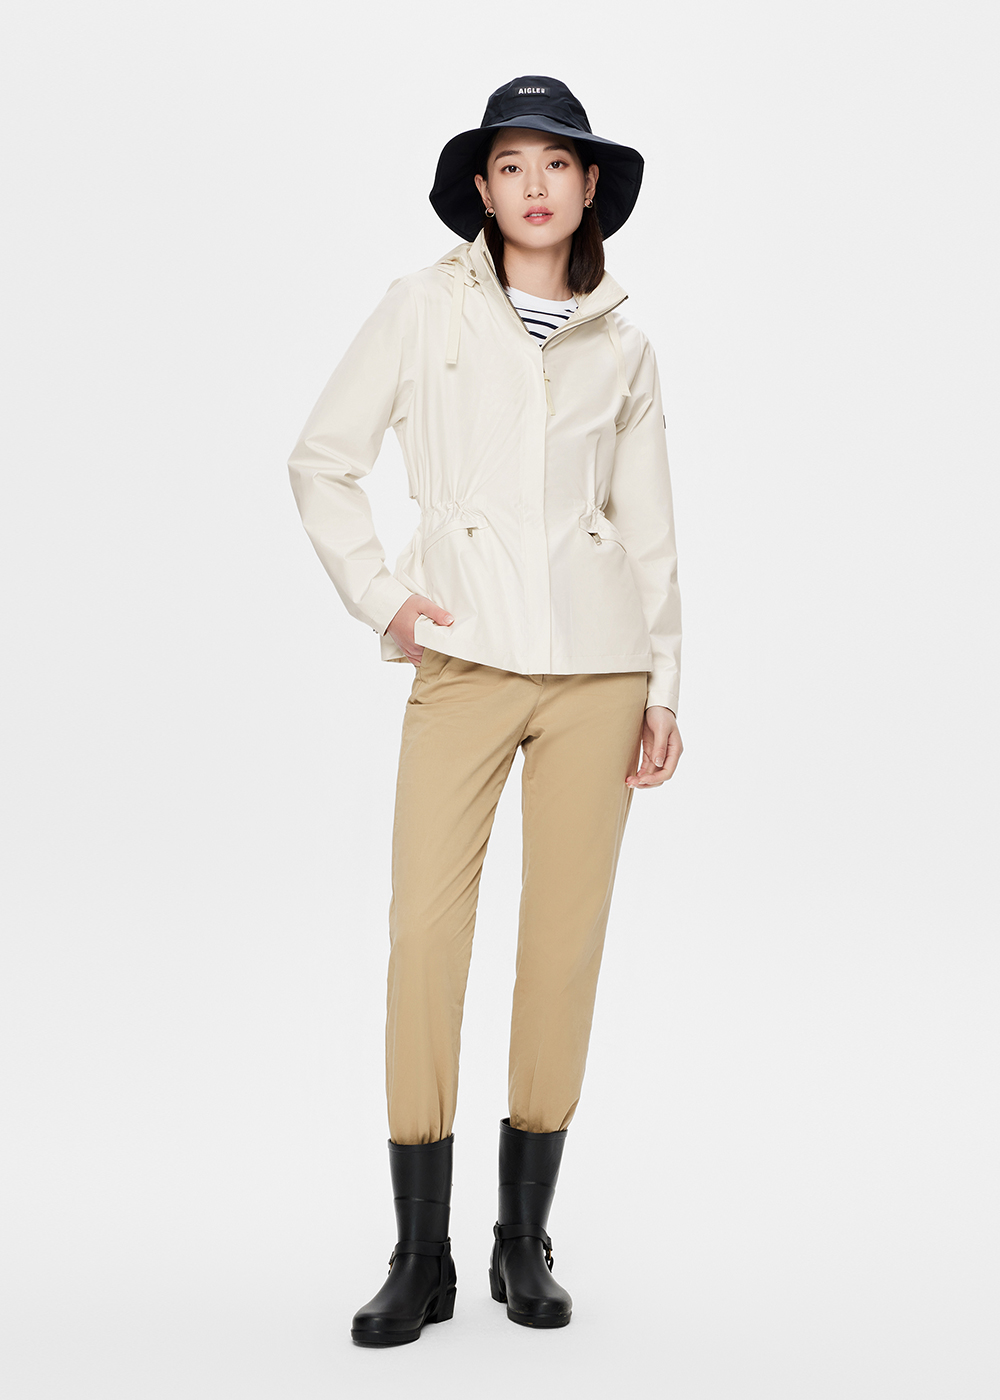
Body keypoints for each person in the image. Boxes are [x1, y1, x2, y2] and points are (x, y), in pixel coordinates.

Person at [287, 74, 683, 1346]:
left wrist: (662, 683)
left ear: (589, 186)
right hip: (459, 658)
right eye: (511, 165)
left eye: (555, 164)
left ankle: (523, 1239)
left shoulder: (623, 343)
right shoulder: (422, 306)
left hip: (596, 671)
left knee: (560, 949)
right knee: (424, 939)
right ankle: (420, 1252)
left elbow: (648, 528)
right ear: (481, 188)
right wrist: (383, 597)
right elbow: (322, 459)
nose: (533, 185)